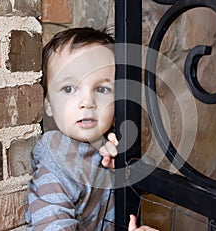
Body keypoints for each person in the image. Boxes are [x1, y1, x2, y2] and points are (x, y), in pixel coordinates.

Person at [26, 27, 158, 231]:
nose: (87, 102)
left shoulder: (109, 145)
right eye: (69, 89)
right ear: (49, 105)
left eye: (102, 89)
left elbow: (151, 178)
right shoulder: (54, 170)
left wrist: (125, 164)